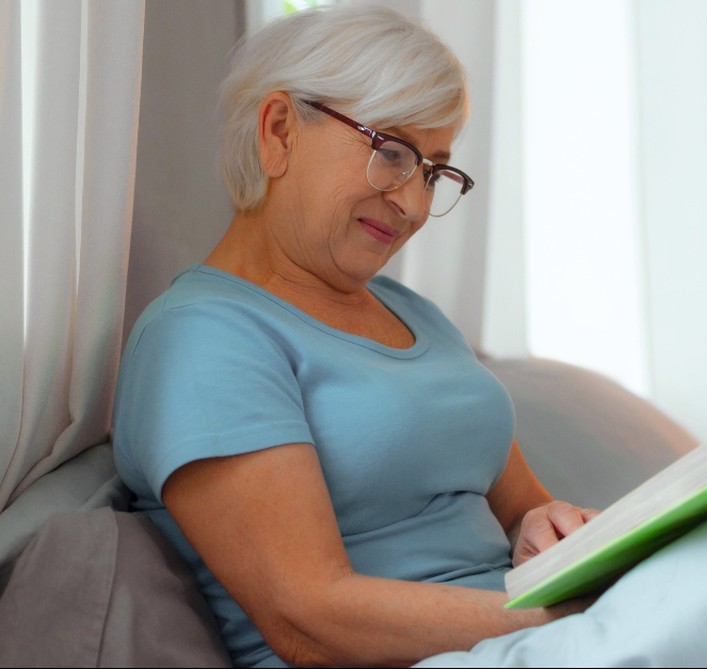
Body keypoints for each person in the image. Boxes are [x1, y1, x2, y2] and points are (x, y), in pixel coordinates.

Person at [112, 6, 598, 667]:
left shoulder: (413, 312)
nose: (416, 204)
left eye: (433, 170)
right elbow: (309, 615)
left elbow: (524, 509)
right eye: (391, 152)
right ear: (280, 130)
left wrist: (544, 528)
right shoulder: (204, 339)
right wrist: (564, 614)